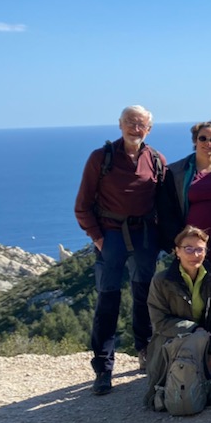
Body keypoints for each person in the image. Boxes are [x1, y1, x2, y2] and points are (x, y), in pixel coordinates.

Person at [74, 105, 167, 395]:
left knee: (144, 297)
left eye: (140, 124)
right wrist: (98, 238)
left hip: (145, 236)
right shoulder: (100, 158)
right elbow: (82, 205)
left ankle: (145, 351)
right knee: (108, 300)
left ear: (149, 129)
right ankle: (103, 368)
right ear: (120, 124)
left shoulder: (156, 160)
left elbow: (164, 204)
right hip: (111, 235)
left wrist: (165, 238)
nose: (134, 128)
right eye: (129, 122)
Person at [144, 226, 211, 407]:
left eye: (200, 249)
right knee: (177, 388)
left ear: (206, 252)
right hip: (172, 345)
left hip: (208, 343)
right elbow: (159, 321)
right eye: (188, 249)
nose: (195, 254)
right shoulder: (161, 281)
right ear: (177, 252)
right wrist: (194, 329)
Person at [158, 121, 211, 332]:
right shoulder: (177, 171)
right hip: (192, 245)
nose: (207, 143)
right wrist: (175, 243)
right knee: (195, 292)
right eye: (203, 138)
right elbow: (166, 210)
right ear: (195, 140)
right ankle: (198, 339)